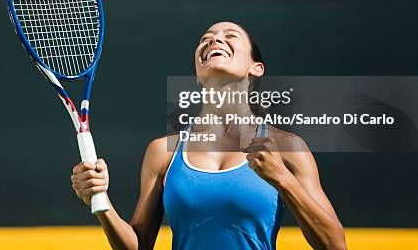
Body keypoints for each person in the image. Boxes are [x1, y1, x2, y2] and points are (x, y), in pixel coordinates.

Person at [70, 21, 347, 250]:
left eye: (230, 36)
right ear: (198, 71)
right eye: (206, 39)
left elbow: (335, 246)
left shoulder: (287, 147)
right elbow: (139, 247)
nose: (214, 41)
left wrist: (283, 179)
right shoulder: (162, 151)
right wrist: (101, 201)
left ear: (256, 68)